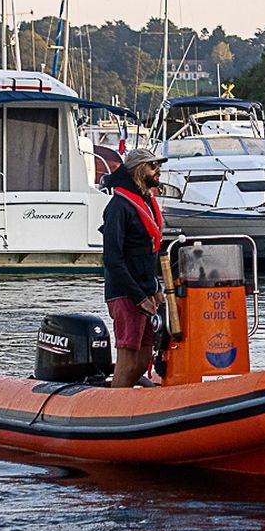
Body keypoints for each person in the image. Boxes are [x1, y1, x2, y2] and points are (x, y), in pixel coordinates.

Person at [101, 147, 167, 387]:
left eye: (158, 165)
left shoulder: (146, 203)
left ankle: (127, 398)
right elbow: (113, 259)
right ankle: (113, 404)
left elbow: (149, 253)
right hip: (125, 293)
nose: (158, 170)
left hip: (145, 291)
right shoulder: (118, 207)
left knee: (143, 358)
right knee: (128, 361)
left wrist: (155, 288)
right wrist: (139, 297)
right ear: (139, 170)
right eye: (153, 166)